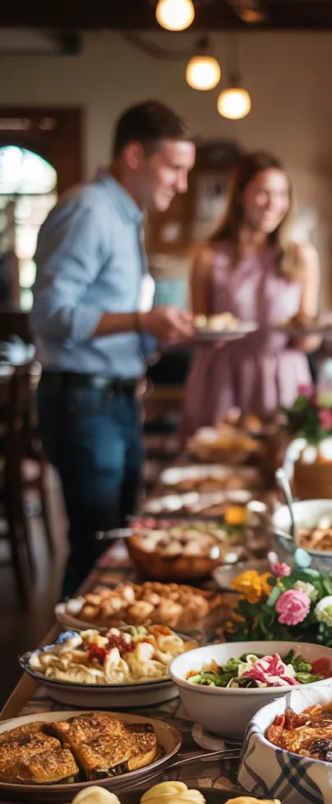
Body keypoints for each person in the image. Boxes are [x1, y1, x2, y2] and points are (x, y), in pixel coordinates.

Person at [32, 101, 196, 597]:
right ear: (133, 155)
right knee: (95, 550)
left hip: (114, 399)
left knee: (115, 546)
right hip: (84, 402)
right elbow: (50, 315)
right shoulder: (88, 209)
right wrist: (144, 320)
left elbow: (104, 316)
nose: (181, 183)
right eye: (174, 168)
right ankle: (62, 666)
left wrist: (152, 337)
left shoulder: (126, 217)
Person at [181, 152, 320, 438]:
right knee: (214, 466)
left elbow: (308, 339)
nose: (274, 203)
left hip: (282, 378)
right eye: (263, 193)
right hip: (221, 380)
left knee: (280, 467)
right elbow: (200, 331)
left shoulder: (301, 256)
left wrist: (309, 332)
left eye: (282, 194)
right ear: (241, 195)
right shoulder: (207, 256)